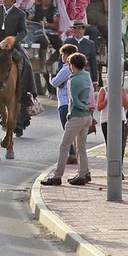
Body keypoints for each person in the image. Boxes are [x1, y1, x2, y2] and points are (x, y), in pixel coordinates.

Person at [41, 53, 94, 187]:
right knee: (81, 148)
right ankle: (83, 174)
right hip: (87, 117)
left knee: (64, 146)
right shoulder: (87, 76)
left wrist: (83, 107)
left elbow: (75, 100)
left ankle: (57, 176)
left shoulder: (73, 79)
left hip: (77, 115)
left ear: (72, 65)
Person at [48, 43, 80, 164]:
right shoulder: (74, 68)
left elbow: (55, 82)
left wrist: (54, 80)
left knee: (67, 130)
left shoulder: (66, 68)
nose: (62, 57)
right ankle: (73, 152)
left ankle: (71, 154)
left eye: (63, 54)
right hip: (70, 102)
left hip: (65, 103)